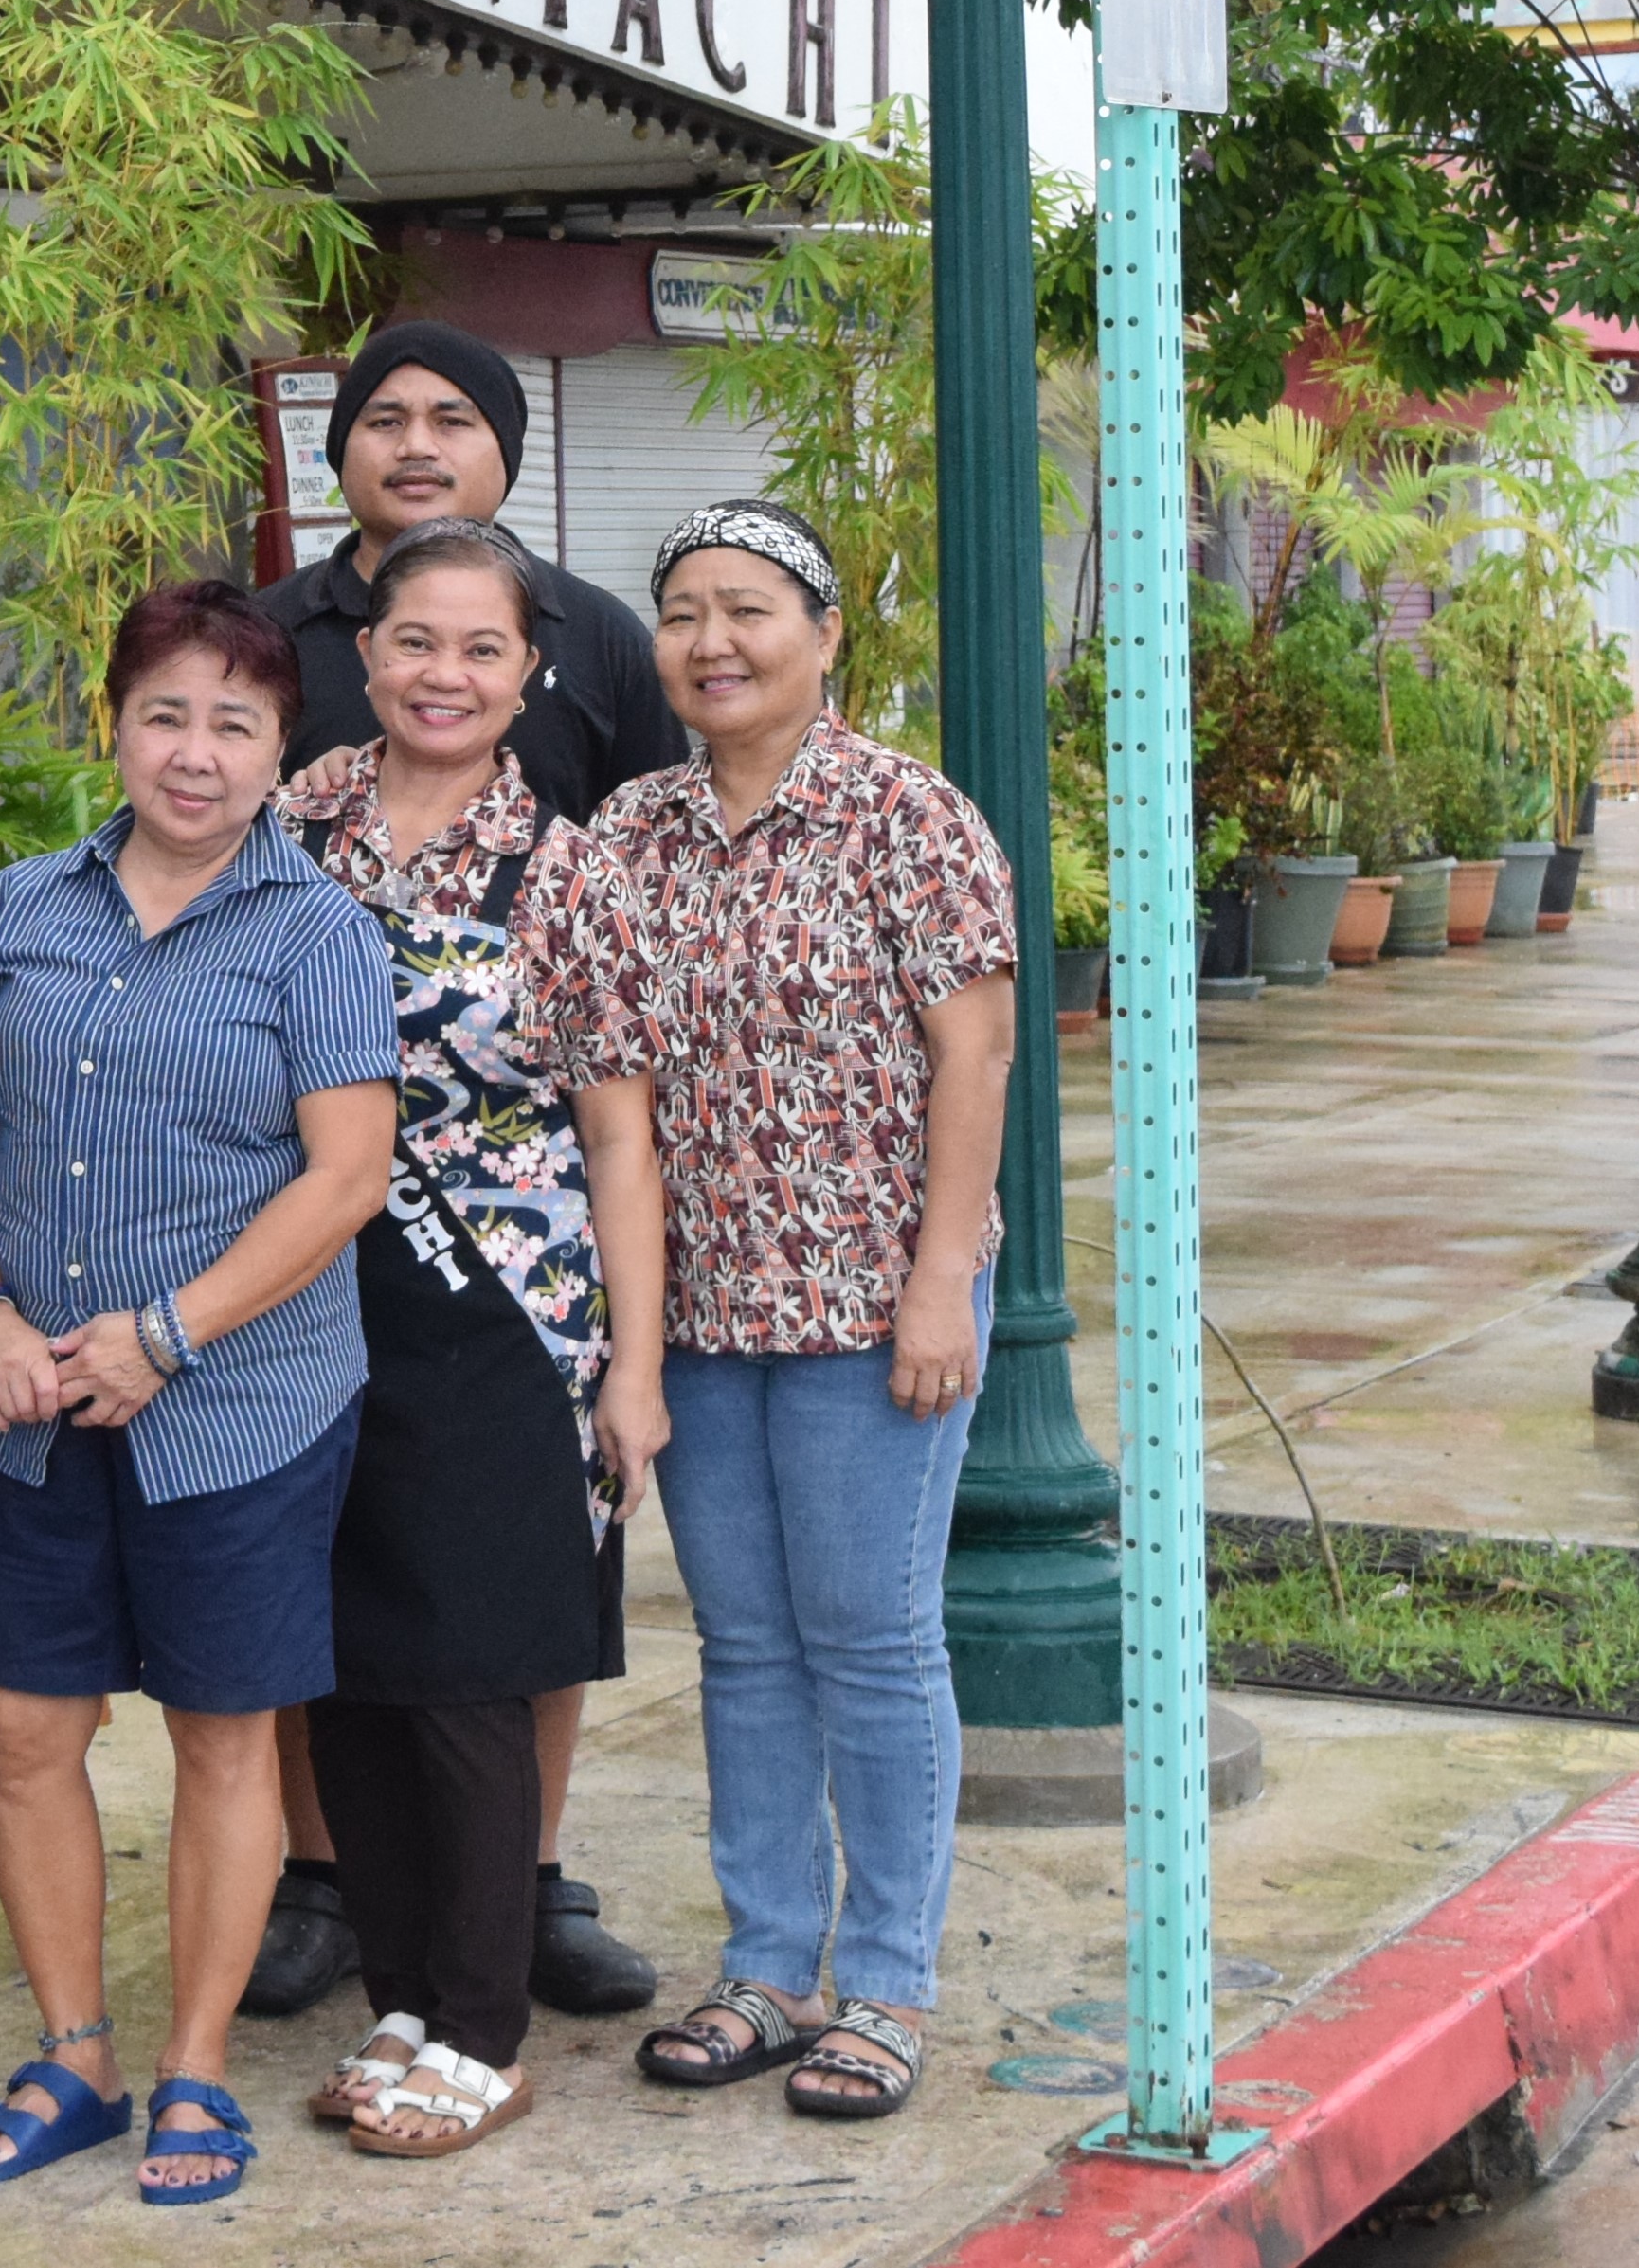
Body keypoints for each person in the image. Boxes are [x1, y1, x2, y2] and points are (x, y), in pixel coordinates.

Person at [0, 579, 400, 2209]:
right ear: (111, 721)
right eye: (164, 713)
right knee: (22, 1728)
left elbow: (344, 1180)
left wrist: (161, 1336)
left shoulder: (318, 930)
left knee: (222, 1735)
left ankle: (196, 2063)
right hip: (32, 1390)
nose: (192, 754)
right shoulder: (21, 909)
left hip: (241, 1402)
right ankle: (76, 2048)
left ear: (282, 750)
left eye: (234, 723)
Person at [248, 316, 683, 2021]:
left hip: (508, 1284)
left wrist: (634, 1365)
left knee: (499, 1630)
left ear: (529, 670)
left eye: (477, 648)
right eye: (410, 641)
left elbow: (619, 1131)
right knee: (341, 1618)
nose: (441, 670)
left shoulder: (572, 866)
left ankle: (485, 1977)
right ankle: (367, 1933)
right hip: (300, 1266)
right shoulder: (292, 821)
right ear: (365, 652)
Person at [585, 498, 1018, 2128]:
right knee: (745, 1646)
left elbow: (972, 1055)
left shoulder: (906, 816)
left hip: (865, 1305)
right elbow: (613, 1102)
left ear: (823, 634)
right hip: (699, 1310)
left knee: (873, 1638)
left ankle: (887, 1978)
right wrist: (633, 1350)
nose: (714, 639)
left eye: (749, 607)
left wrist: (937, 1278)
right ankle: (768, 1961)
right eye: (684, 609)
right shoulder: (629, 832)